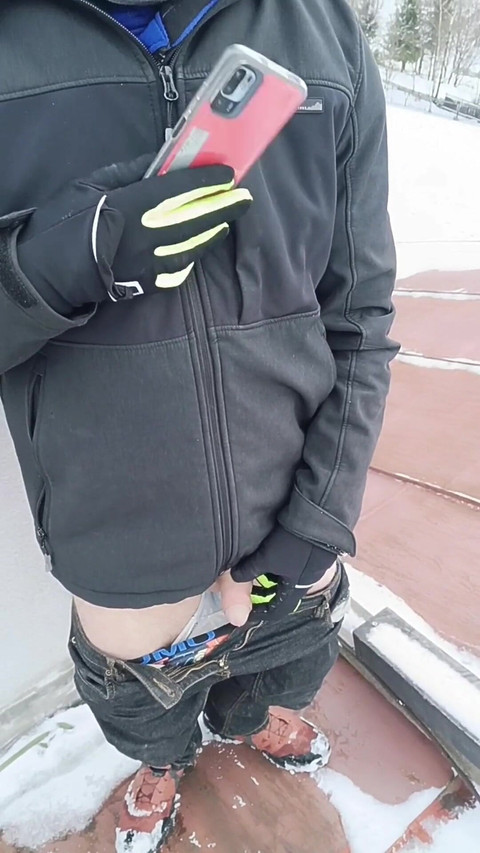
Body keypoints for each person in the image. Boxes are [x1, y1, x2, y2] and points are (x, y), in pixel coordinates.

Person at [0, 1, 397, 850]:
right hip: (121, 548)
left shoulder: (321, 27)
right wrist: (57, 262)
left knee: (281, 667)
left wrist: (322, 511)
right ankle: (163, 760)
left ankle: (253, 718)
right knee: (144, 705)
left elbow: (360, 310)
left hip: (293, 517)